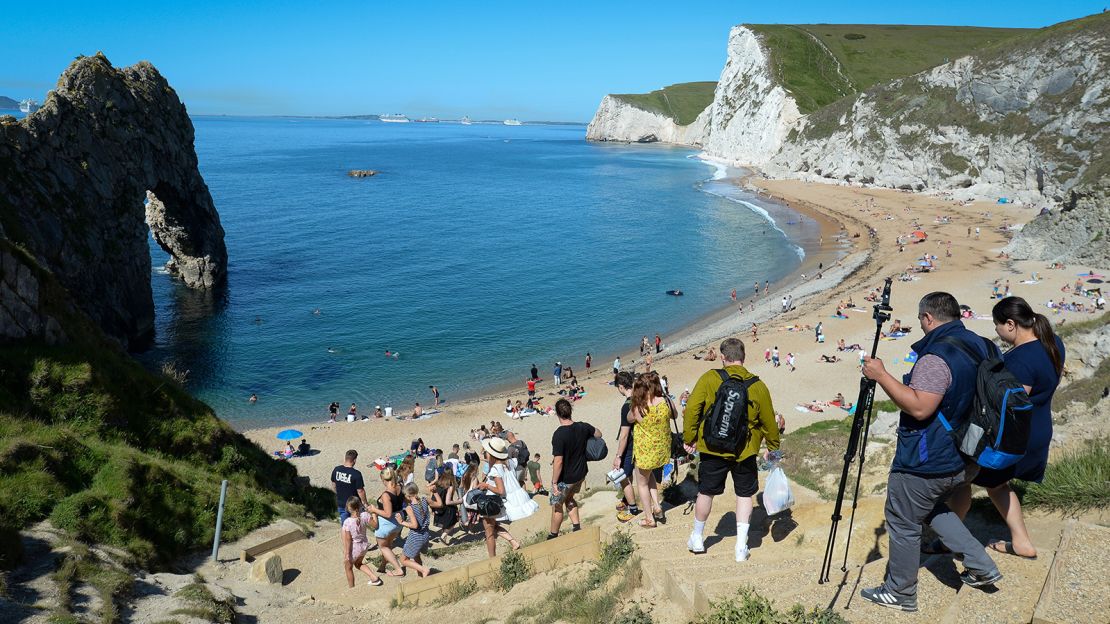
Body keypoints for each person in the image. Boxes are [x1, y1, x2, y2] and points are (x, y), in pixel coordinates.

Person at [859, 292, 1002, 612]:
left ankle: (900, 592)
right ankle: (980, 564)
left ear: (928, 318)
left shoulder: (936, 357)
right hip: (971, 451)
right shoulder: (980, 344)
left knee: (902, 517)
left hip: (932, 458)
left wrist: (880, 375)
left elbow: (921, 408)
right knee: (929, 506)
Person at [946, 297, 1065, 559]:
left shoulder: (1020, 362)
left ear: (1011, 324)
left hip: (1016, 436)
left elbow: (1008, 407)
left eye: (998, 325)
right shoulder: (1053, 342)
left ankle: (949, 540)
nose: (997, 331)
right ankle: (1020, 542)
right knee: (996, 484)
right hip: (1040, 427)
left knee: (964, 478)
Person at [683, 338, 780, 562]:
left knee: (706, 492)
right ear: (743, 358)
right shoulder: (758, 386)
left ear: (722, 357)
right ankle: (740, 546)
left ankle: (697, 538)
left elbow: (692, 410)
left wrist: (691, 438)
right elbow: (769, 423)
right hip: (744, 451)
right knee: (745, 495)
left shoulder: (709, 378)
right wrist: (773, 449)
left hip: (712, 448)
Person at [548, 399, 602, 539]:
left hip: (566, 478)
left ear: (557, 414)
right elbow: (598, 434)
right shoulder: (583, 427)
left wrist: (554, 482)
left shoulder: (559, 434)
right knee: (569, 498)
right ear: (570, 411)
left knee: (557, 505)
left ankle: (553, 535)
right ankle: (577, 527)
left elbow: (558, 461)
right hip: (581, 473)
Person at [627, 372, 672, 528]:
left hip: (645, 452)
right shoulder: (665, 401)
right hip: (661, 450)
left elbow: (628, 419)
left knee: (642, 483)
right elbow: (675, 415)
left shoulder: (639, 407)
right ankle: (657, 505)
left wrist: (635, 399)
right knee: (649, 474)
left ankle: (649, 518)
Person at [476, 437, 527, 557]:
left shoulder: (495, 469)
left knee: (489, 534)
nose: (485, 454)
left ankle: (492, 559)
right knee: (494, 527)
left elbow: (500, 490)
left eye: (486, 452)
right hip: (499, 502)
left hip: (491, 502)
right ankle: (513, 542)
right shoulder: (507, 464)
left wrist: (486, 485)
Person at [611, 371, 641, 523]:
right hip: (640, 442)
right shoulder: (639, 398)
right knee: (629, 473)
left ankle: (633, 508)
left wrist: (618, 456)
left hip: (629, 445)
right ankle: (626, 498)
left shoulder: (626, 406)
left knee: (622, 475)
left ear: (622, 387)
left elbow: (624, 434)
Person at [366, 467, 406, 577]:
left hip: (387, 524)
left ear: (383, 479)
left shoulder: (386, 494)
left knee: (383, 547)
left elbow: (388, 513)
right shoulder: (400, 488)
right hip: (398, 522)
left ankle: (398, 569)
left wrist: (374, 510)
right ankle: (383, 566)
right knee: (388, 545)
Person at [340, 497, 383, 587]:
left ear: (348, 508)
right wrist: (374, 513)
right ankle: (374, 578)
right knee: (358, 563)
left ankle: (352, 588)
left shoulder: (347, 522)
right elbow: (375, 525)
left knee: (348, 567)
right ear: (359, 505)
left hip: (355, 548)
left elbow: (348, 539)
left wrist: (347, 553)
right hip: (364, 545)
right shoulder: (365, 515)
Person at [397, 483, 433, 577]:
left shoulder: (410, 508)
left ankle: (423, 570)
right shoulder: (424, 501)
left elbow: (414, 525)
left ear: (408, 495)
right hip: (425, 535)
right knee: (416, 556)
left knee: (403, 560)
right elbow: (439, 504)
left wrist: (402, 522)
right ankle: (422, 576)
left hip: (416, 537)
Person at [331, 450, 367, 523]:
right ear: (354, 460)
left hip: (341, 503)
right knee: (356, 525)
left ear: (345, 458)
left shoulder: (336, 469)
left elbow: (333, 484)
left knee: (345, 526)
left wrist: (338, 494)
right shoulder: (356, 474)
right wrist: (365, 503)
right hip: (354, 504)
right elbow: (360, 491)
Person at [430, 471, 462, 544]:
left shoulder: (438, 484)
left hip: (438, 508)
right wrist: (459, 501)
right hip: (447, 509)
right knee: (454, 520)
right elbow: (448, 502)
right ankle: (443, 536)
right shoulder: (450, 486)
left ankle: (444, 538)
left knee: (445, 523)